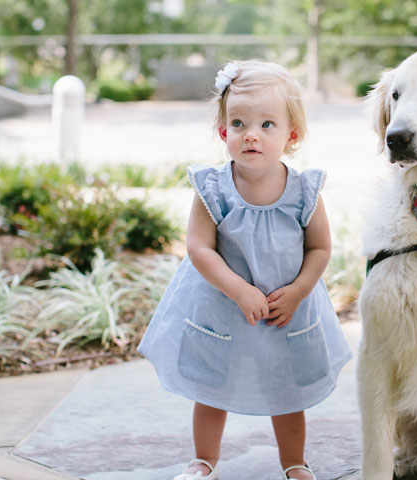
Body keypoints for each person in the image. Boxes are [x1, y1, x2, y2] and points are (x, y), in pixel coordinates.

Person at [138, 59, 352, 480]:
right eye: (238, 123)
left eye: (267, 124)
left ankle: (294, 462)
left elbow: (320, 247)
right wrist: (238, 290)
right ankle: (204, 461)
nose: (251, 134)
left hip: (283, 309)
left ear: (292, 135)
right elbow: (199, 247)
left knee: (287, 391)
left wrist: (299, 290)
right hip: (222, 307)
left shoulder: (304, 191)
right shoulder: (213, 188)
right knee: (210, 388)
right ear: (223, 132)